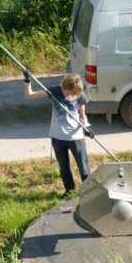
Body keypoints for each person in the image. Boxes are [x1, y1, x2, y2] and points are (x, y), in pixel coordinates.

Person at [23, 70, 94, 198]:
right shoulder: (54, 91)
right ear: (64, 87)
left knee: (84, 168)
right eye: (69, 93)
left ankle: (89, 193)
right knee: (64, 168)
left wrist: (87, 127)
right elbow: (29, 96)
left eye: (74, 94)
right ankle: (69, 192)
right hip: (57, 138)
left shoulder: (80, 95)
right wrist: (27, 82)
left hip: (76, 138)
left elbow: (83, 116)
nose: (71, 96)